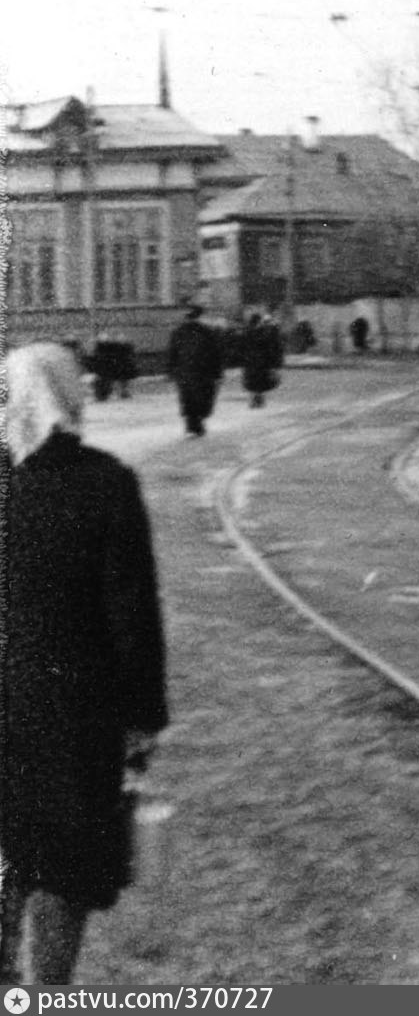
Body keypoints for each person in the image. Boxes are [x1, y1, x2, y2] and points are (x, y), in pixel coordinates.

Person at [1, 344, 170, 984]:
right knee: (65, 862)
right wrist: (143, 718)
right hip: (77, 711)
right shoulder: (105, 482)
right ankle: (48, 990)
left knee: (7, 849)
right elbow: (133, 614)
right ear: (71, 397)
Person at [164, 305, 223, 438]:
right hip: (204, 372)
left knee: (187, 398)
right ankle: (196, 424)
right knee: (202, 397)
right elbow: (216, 354)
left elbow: (172, 353)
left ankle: (191, 426)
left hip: (184, 372)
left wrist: (170, 371)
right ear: (200, 317)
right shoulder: (207, 332)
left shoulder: (178, 332)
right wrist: (218, 373)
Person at [239, 313, 285, 408]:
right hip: (261, 362)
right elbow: (272, 348)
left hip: (251, 362)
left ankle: (256, 400)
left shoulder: (246, 332)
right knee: (259, 383)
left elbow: (241, 348)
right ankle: (258, 400)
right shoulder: (264, 333)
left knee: (254, 383)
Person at [87, 333, 137, 402]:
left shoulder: (104, 349)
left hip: (107, 368)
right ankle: (118, 393)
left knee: (107, 381)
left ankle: (103, 395)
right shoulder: (115, 349)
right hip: (113, 367)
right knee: (120, 381)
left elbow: (95, 358)